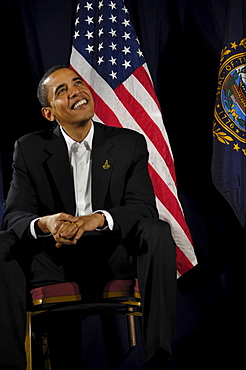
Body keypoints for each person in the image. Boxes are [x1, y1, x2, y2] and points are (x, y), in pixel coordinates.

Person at [1, 66, 176, 369]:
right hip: (55, 257)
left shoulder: (128, 143)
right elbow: (14, 214)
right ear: (49, 114)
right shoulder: (28, 148)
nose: (76, 93)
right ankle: (10, 364)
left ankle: (159, 357)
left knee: (156, 231)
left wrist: (97, 219)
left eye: (77, 83)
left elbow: (142, 207)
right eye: (62, 91)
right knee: (3, 244)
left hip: (112, 253)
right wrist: (47, 223)